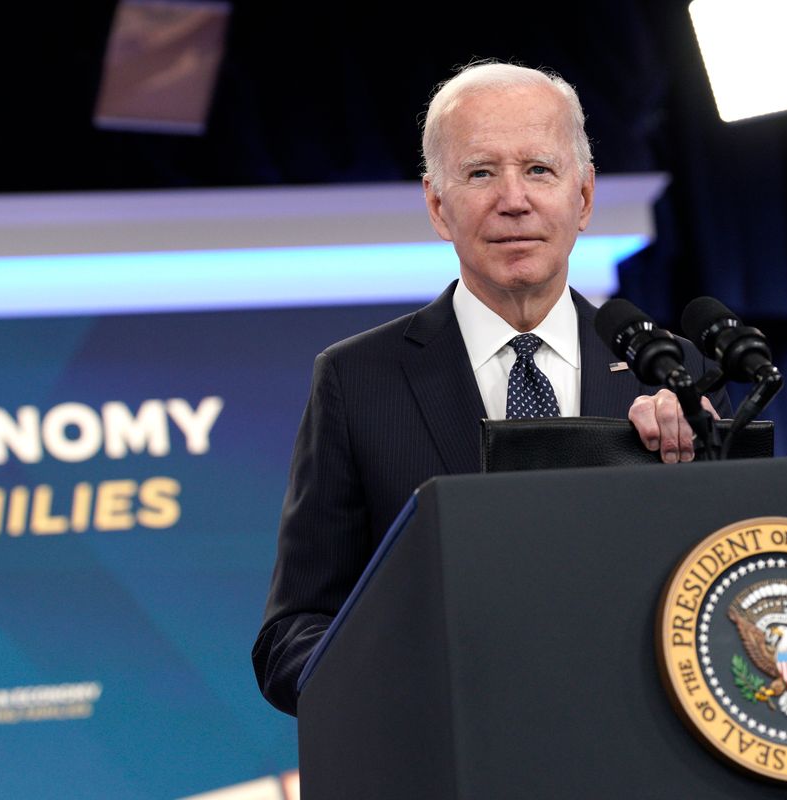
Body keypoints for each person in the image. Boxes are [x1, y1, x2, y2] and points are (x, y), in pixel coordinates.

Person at [252, 61, 730, 715]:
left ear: (583, 198)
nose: (514, 199)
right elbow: (292, 636)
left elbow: (735, 593)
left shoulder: (676, 375)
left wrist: (693, 470)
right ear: (437, 205)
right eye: (481, 173)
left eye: (539, 169)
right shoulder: (355, 381)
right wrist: (419, 682)